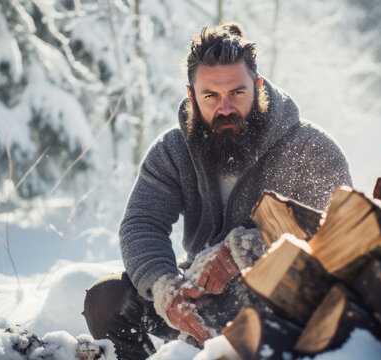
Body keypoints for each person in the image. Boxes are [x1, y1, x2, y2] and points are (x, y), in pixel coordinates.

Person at [83, 22, 352, 359]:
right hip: (197, 294)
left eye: (237, 93)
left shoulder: (310, 148)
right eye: (210, 95)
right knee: (107, 300)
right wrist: (167, 291)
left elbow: (338, 234)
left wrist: (244, 252)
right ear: (191, 94)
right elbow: (142, 223)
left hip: (278, 303)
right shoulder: (172, 150)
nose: (225, 107)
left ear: (257, 86)